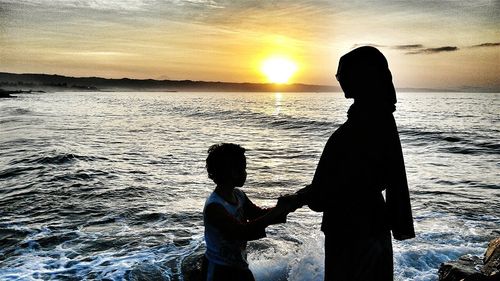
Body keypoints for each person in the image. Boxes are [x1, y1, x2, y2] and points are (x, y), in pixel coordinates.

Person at [282, 46, 415, 281]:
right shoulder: (379, 118)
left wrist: (298, 198)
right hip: (370, 224)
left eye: (342, 73)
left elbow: (338, 185)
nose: (339, 79)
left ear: (361, 76)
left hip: (353, 230)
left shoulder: (364, 125)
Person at [202, 143, 290, 281]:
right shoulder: (215, 206)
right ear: (230, 172)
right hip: (219, 270)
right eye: (243, 168)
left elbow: (257, 214)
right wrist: (278, 211)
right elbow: (243, 231)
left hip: (239, 265)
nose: (245, 173)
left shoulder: (239, 195)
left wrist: (287, 207)